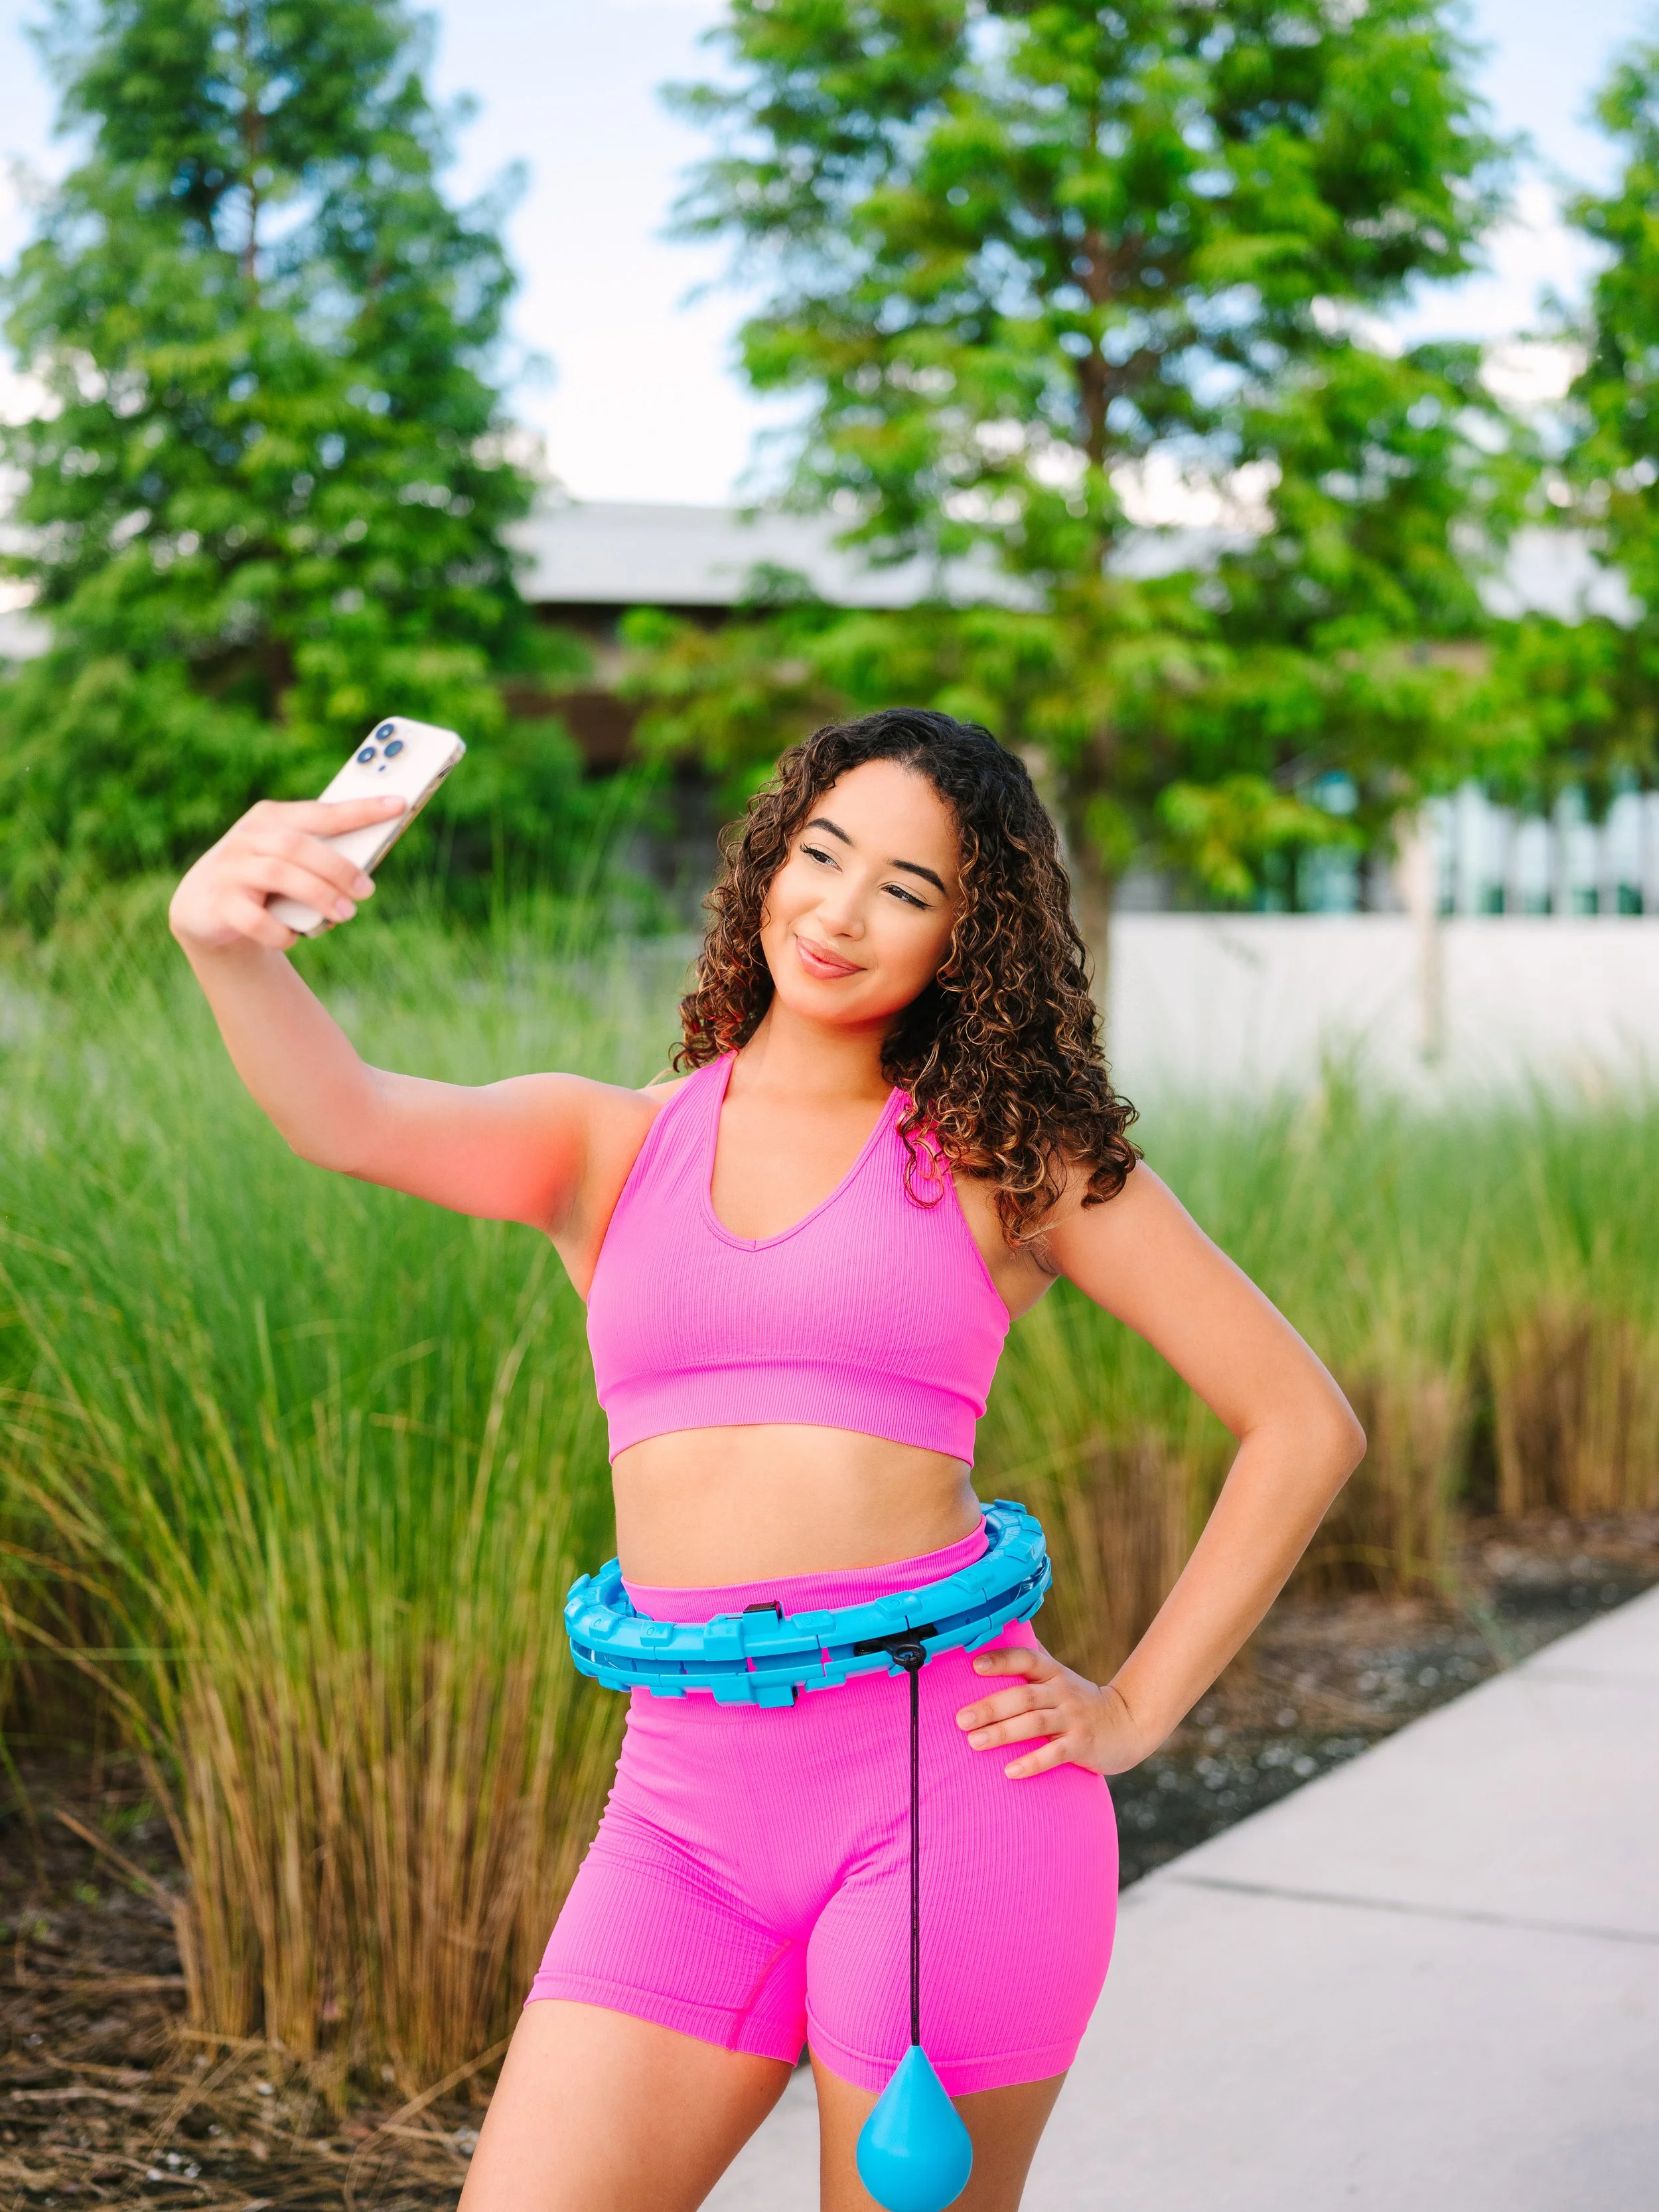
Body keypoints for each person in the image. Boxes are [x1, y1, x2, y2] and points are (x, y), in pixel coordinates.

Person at [169, 707, 1364, 2212]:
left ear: (962, 940)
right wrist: (227, 944)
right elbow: (342, 1115)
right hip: (680, 1812)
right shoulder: (603, 1146)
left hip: (945, 1804)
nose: (841, 911)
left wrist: (1129, 1708)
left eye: (907, 891)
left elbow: (1299, 1418)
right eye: (820, 854)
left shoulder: (1007, 1157)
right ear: (766, 865)